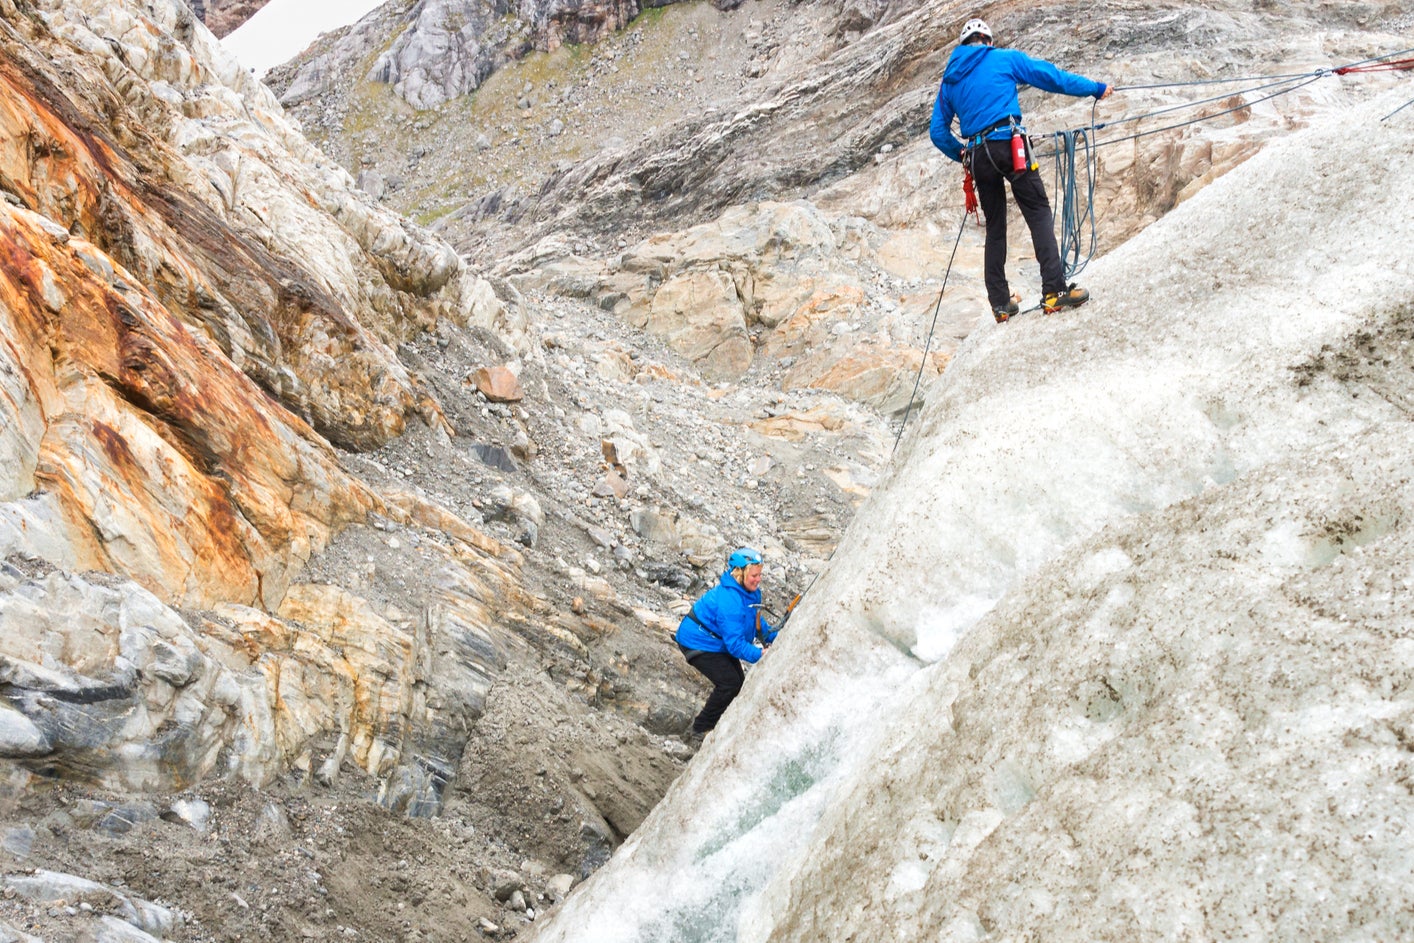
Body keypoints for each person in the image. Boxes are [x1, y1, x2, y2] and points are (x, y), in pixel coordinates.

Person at [929, 17, 1112, 322]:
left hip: (978, 155)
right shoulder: (1004, 58)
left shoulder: (950, 81)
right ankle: (1054, 290)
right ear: (988, 41)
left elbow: (937, 131)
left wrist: (962, 153)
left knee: (996, 226)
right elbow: (1051, 77)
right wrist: (1095, 88)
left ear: (963, 46)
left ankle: (1001, 304)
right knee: (1037, 210)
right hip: (1009, 144)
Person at [674, 547, 778, 746]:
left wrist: (775, 636)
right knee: (730, 683)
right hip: (698, 642)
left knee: (739, 682)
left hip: (716, 640)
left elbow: (756, 622)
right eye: (754, 575)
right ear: (739, 574)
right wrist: (760, 654)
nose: (758, 580)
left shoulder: (750, 593)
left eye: (760, 575)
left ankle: (720, 724)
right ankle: (700, 729)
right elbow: (735, 644)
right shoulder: (729, 601)